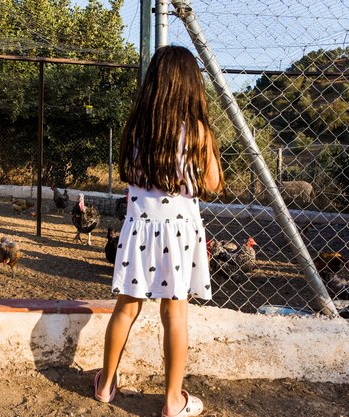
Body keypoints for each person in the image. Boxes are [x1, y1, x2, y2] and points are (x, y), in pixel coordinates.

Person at [93, 46, 225, 417]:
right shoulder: (198, 131)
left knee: (126, 308)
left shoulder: (138, 128)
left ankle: (105, 384)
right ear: (191, 85)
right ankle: (172, 401)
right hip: (180, 234)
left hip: (140, 229)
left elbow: (129, 176)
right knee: (175, 314)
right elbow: (213, 183)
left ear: (153, 83)